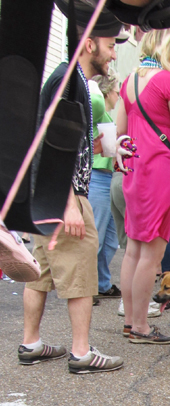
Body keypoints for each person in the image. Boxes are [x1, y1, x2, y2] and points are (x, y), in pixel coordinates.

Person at [19, 25, 125, 374]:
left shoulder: (67, 78)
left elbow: (62, 139)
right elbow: (51, 141)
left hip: (47, 191)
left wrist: (96, 148)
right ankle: (81, 353)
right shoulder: (71, 81)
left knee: (41, 271)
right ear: (90, 42)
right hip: (62, 193)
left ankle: (31, 343)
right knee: (81, 265)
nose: (113, 54)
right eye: (110, 46)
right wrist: (68, 203)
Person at [117, 25, 170, 344]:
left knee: (133, 250)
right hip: (160, 171)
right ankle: (140, 327)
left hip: (135, 170)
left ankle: (130, 321)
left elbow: (121, 132)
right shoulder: (168, 81)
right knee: (152, 253)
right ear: (169, 46)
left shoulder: (128, 81)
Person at [89, 71, 121, 299]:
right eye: (116, 89)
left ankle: (101, 282)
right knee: (96, 238)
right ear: (106, 91)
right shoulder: (97, 110)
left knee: (110, 240)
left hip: (108, 177)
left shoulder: (108, 118)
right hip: (97, 177)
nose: (119, 93)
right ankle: (87, 289)